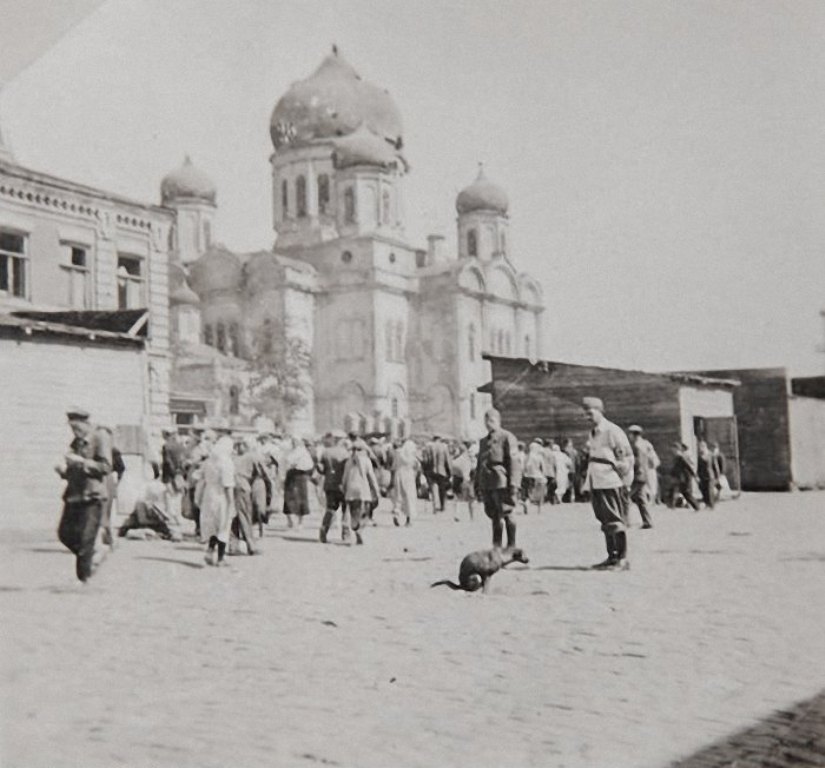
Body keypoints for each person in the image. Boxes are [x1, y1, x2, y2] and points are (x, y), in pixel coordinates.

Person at [55, 408, 113, 583]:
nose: (75, 432)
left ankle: (83, 579)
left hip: (92, 495)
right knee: (64, 534)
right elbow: (74, 470)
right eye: (72, 429)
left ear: (86, 424)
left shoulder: (100, 437)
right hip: (74, 495)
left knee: (86, 538)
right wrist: (63, 472)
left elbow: (106, 467)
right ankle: (93, 555)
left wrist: (82, 462)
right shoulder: (76, 442)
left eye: (77, 428)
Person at [582, 397, 634, 570]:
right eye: (585, 414)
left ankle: (622, 558)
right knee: (604, 520)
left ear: (600, 411)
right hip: (596, 481)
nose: (587, 417)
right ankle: (611, 556)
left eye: (589, 413)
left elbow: (626, 457)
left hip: (610, 481)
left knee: (615, 520)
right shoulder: (594, 432)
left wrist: (624, 480)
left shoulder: (612, 430)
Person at [474, 408, 521, 549]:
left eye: (492, 421)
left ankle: (512, 546)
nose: (488, 424)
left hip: (502, 481)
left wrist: (514, 483)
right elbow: (479, 463)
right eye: (486, 421)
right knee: (494, 515)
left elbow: (513, 461)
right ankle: (497, 547)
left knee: (507, 512)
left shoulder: (507, 437)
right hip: (487, 482)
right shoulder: (483, 441)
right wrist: (477, 484)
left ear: (499, 421)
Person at [197, 435, 236, 566]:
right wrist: (232, 503)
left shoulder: (209, 461)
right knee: (224, 525)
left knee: (212, 525)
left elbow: (200, 478)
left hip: (209, 494)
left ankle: (209, 551)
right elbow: (228, 485)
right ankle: (220, 558)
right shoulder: (226, 462)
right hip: (221, 496)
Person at [118, 462, 182, 541]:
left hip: (153, 519)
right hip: (152, 519)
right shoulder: (157, 487)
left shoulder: (157, 487)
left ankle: (150, 533)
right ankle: (152, 533)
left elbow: (165, 509)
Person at [341, 438, 381, 545]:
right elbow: (371, 477)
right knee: (365, 513)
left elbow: (344, 478)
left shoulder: (348, 461)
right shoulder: (366, 461)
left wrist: (344, 489)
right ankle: (359, 530)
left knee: (353, 512)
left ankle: (353, 528)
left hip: (350, 489)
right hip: (363, 489)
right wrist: (376, 490)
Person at [317, 430, 350, 542]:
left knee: (330, 508)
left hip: (329, 485)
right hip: (343, 485)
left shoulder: (326, 452)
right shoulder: (346, 453)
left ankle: (324, 528)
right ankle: (345, 533)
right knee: (346, 509)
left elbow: (320, 469)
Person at [627, 425, 658, 529]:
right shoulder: (645, 444)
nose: (629, 436)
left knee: (625, 498)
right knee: (641, 500)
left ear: (634, 434)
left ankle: (624, 521)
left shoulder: (637, 445)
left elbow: (638, 462)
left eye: (630, 434)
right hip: (644, 475)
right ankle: (647, 521)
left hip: (637, 476)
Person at [283, 436, 314, 527]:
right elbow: (285, 462)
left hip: (301, 475)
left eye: (296, 441)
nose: (294, 443)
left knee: (302, 498)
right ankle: (290, 521)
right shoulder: (289, 451)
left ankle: (300, 522)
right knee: (288, 497)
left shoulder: (303, 452)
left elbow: (309, 465)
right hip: (290, 474)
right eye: (293, 441)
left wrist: (297, 464)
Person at [391, 437, 420, 527]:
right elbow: (416, 466)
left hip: (398, 473)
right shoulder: (411, 456)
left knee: (398, 495)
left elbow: (393, 466)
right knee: (409, 496)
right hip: (408, 474)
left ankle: (396, 513)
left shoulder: (398, 452)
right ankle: (409, 519)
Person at [422, 435, 452, 514]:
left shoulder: (428, 446)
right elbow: (447, 460)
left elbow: (425, 459)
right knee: (442, 489)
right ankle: (442, 506)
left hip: (431, 470)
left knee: (433, 488)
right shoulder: (444, 447)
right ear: (440, 439)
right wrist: (449, 472)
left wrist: (425, 470)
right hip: (442, 471)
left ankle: (435, 506)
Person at [668, 442, 701, 511]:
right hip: (679, 478)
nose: (672, 451)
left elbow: (688, 467)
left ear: (677, 449)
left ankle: (696, 506)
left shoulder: (681, 457)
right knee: (675, 491)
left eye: (674, 449)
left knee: (685, 493)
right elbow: (675, 468)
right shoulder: (677, 457)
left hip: (683, 478)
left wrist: (695, 476)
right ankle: (672, 506)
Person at [449, 441, 476, 521]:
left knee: (457, 497)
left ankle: (457, 515)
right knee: (471, 498)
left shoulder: (456, 457)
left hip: (457, 478)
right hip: (467, 479)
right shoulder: (469, 456)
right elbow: (474, 467)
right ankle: (472, 517)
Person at [522, 439, 547, 514]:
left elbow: (524, 468)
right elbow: (543, 468)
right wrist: (544, 476)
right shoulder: (539, 457)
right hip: (538, 476)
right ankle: (539, 509)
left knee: (529, 492)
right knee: (539, 494)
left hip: (528, 476)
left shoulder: (527, 457)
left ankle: (527, 503)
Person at [696, 439, 718, 509]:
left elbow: (715, 466)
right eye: (699, 447)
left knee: (709, 490)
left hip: (710, 475)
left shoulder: (710, 455)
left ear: (705, 447)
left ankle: (711, 505)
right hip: (702, 476)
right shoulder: (700, 456)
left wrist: (717, 476)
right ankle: (707, 504)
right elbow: (698, 467)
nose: (700, 449)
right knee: (704, 490)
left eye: (701, 447)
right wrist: (697, 475)